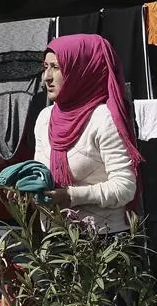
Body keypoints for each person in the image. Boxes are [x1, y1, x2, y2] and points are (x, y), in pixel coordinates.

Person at [34, 34, 141, 235]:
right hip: (55, 236)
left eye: (56, 67)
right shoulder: (45, 118)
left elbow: (125, 187)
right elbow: (39, 172)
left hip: (102, 243)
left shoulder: (103, 119)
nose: (46, 76)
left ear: (81, 70)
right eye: (45, 67)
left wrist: (71, 196)